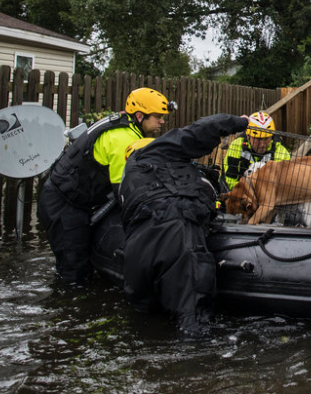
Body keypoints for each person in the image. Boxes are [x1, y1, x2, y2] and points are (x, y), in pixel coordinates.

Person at [118, 113, 248, 338]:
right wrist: (240, 122)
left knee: (141, 325)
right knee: (193, 326)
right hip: (179, 237)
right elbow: (199, 130)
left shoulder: (125, 183)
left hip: (137, 253)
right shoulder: (156, 153)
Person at [37, 87, 173, 284]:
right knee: (74, 272)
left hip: (76, 199)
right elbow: (125, 192)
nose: (162, 121)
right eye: (158, 117)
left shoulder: (125, 125)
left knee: (84, 264)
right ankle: (66, 306)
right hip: (63, 204)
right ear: (140, 115)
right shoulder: (122, 139)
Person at [222, 111, 291, 190]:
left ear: (271, 136)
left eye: (266, 139)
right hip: (241, 193)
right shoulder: (237, 146)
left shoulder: (280, 150)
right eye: (258, 139)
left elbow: (284, 183)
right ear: (248, 136)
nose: (262, 144)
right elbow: (231, 179)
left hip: (268, 194)